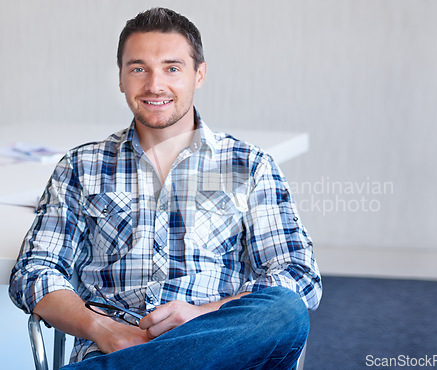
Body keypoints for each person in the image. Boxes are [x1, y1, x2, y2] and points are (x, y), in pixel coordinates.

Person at [9, 7, 322, 369]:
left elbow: (297, 274)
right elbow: (35, 271)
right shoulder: (82, 166)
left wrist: (203, 315)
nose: (155, 85)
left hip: (219, 348)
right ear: (121, 78)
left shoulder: (249, 165)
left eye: (172, 68)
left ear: (199, 74)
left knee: (284, 311)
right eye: (139, 68)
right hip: (117, 350)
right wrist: (102, 329)